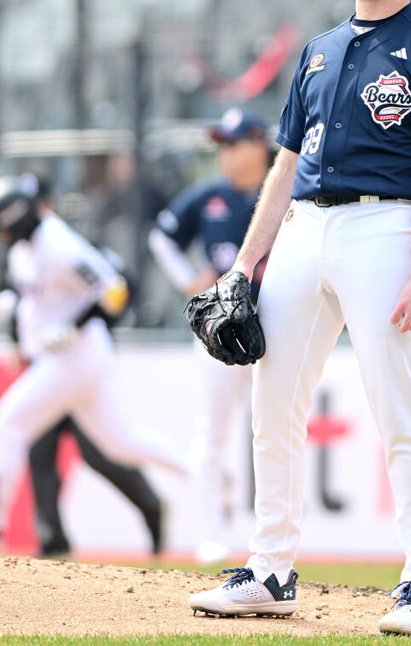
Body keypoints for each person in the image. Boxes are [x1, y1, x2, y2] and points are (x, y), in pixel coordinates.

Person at [187, 0, 411, 636]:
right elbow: (285, 164)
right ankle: (270, 570)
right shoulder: (318, 50)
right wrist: (247, 264)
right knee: (272, 403)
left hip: (384, 225)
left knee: (396, 405)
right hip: (304, 225)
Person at [0, 173, 189, 552]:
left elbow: (114, 288)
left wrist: (75, 325)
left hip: (75, 356)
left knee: (6, 426)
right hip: (65, 357)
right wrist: (10, 306)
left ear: (14, 220)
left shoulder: (58, 244)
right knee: (120, 443)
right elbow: (40, 296)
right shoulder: (25, 247)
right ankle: (200, 471)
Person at [148, 107, 271, 564]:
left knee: (275, 429)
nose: (225, 152)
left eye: (234, 143)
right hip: (220, 333)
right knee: (212, 432)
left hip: (275, 325)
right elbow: (160, 237)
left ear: (259, 144)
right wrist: (187, 278)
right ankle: (212, 534)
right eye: (221, 144)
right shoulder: (208, 196)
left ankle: (273, 536)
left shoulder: (284, 192)